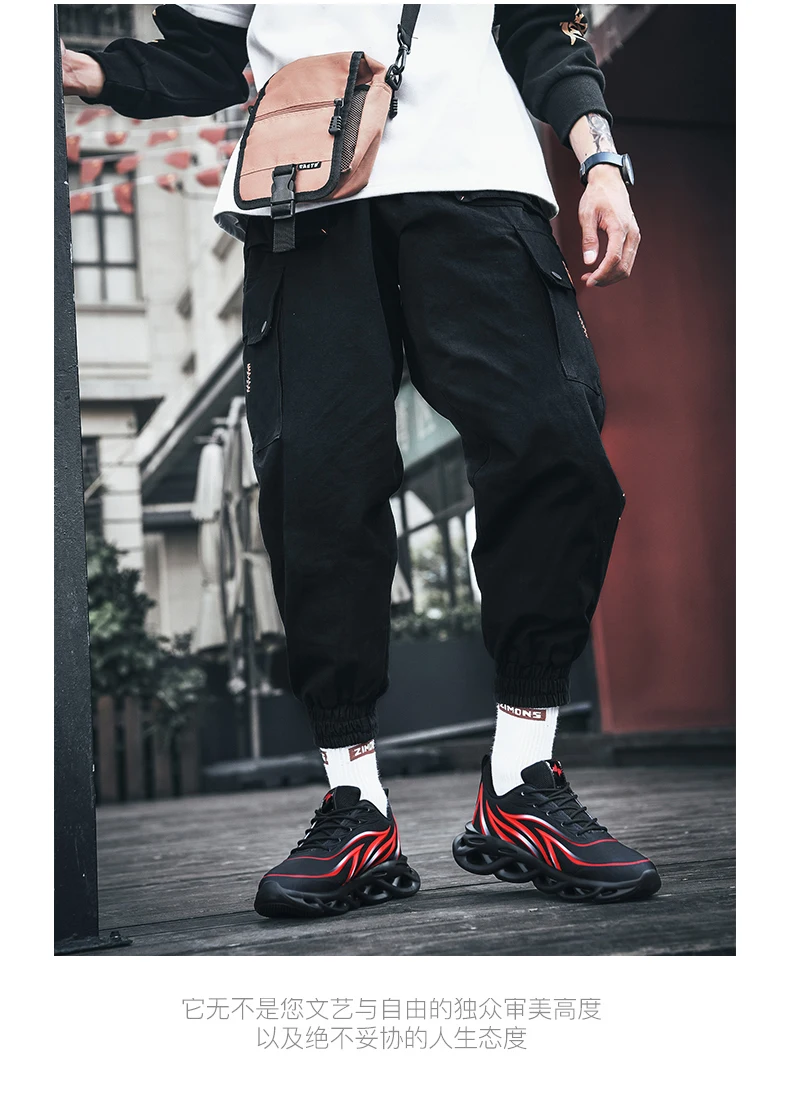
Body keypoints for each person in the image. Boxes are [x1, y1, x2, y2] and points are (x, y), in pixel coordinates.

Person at [62, 3, 661, 919]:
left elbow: (542, 30)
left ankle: (522, 779)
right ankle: (355, 806)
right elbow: (208, 55)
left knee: (557, 448)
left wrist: (601, 161)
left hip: (481, 184)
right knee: (316, 489)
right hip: (305, 200)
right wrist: (94, 72)